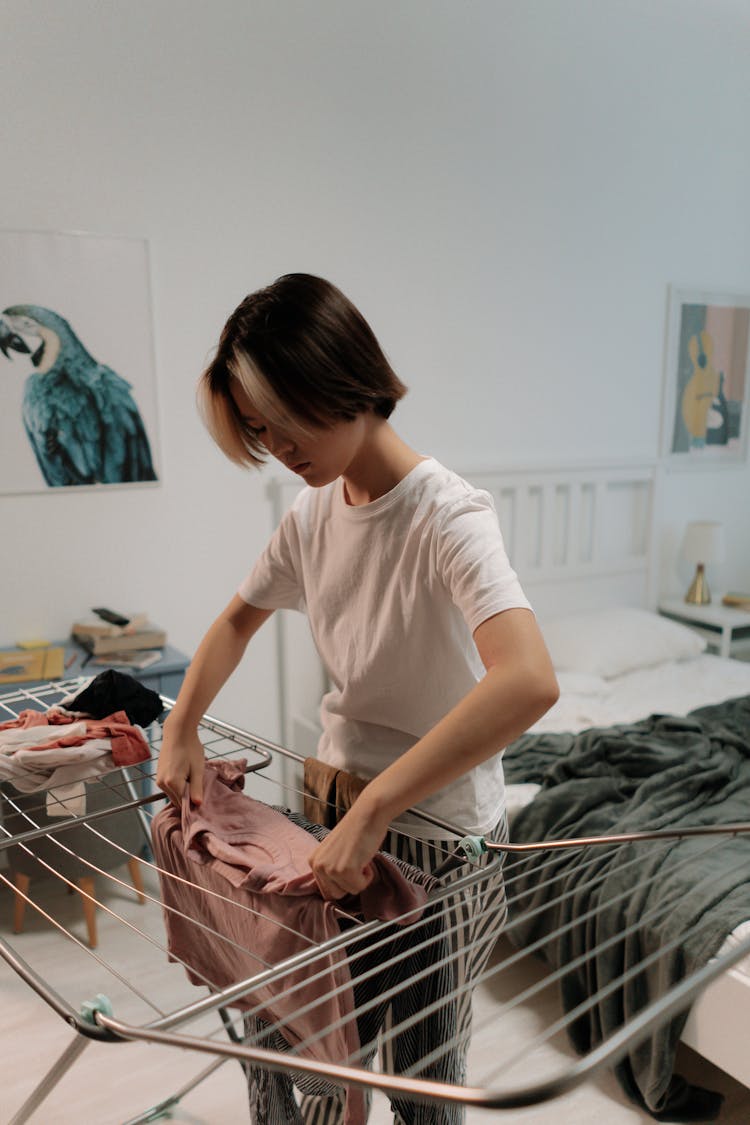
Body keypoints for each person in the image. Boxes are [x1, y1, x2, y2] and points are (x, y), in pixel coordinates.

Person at [156, 272, 559, 1114]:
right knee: (283, 1041)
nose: (276, 449)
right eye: (258, 433)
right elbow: (236, 621)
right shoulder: (313, 513)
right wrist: (182, 727)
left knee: (417, 1087)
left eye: (279, 422)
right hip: (330, 817)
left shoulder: (448, 516)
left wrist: (376, 804)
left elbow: (528, 679)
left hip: (436, 843)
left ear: (335, 381)